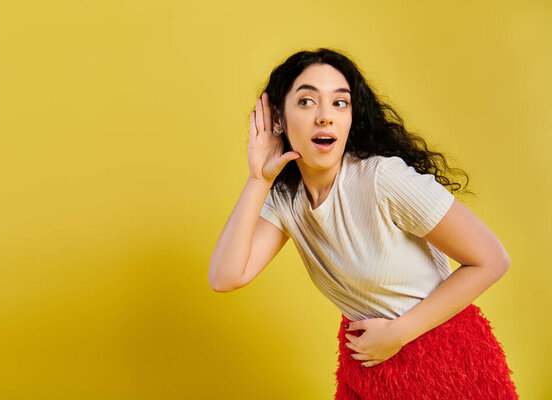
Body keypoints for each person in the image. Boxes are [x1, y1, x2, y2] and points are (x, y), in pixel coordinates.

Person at [208, 48, 518, 399]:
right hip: (369, 364)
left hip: (446, 362)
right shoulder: (286, 200)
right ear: (278, 119)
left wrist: (399, 333)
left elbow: (492, 259)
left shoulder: (382, 178)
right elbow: (225, 277)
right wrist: (257, 180)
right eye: (308, 102)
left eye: (340, 103)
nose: (326, 116)